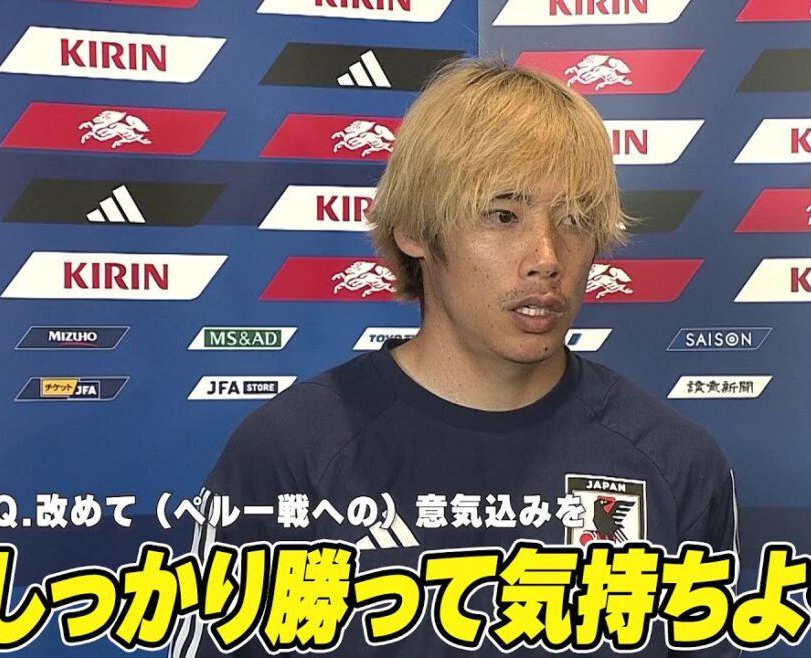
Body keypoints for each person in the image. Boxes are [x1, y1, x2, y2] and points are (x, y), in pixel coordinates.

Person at [170, 56, 740, 658]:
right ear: (416, 230)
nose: (547, 257)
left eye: (574, 220)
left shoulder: (674, 462)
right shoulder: (293, 452)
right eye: (503, 215)